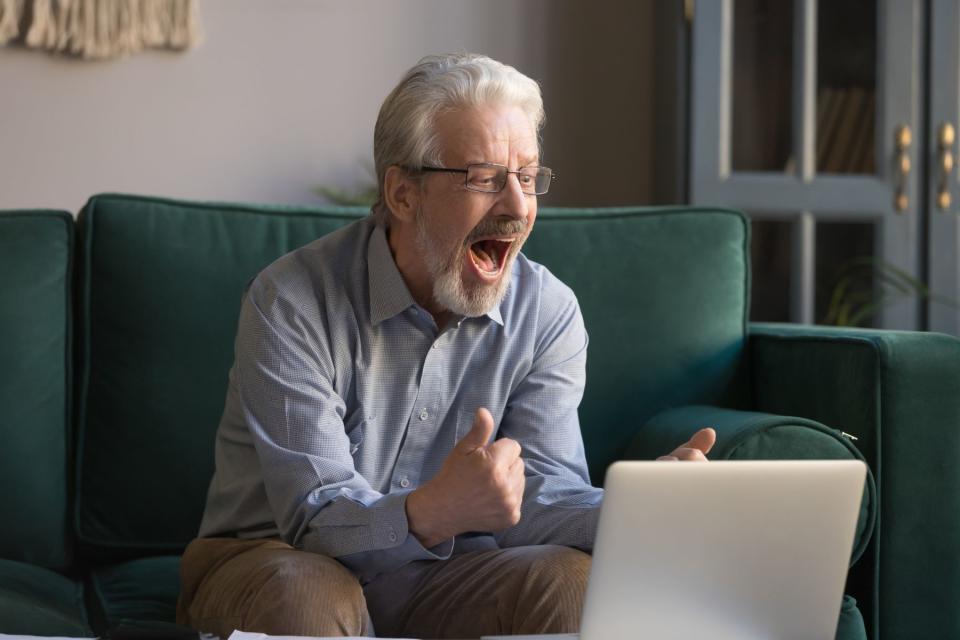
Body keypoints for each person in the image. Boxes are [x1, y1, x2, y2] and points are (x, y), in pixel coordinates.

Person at [177, 52, 715, 638]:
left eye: (528, 177)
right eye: (485, 179)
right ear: (404, 194)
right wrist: (432, 511)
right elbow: (314, 516)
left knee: (569, 579)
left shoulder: (548, 312)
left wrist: (640, 512)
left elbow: (541, 494)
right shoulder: (290, 301)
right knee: (310, 591)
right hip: (270, 562)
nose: (517, 207)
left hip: (451, 575)